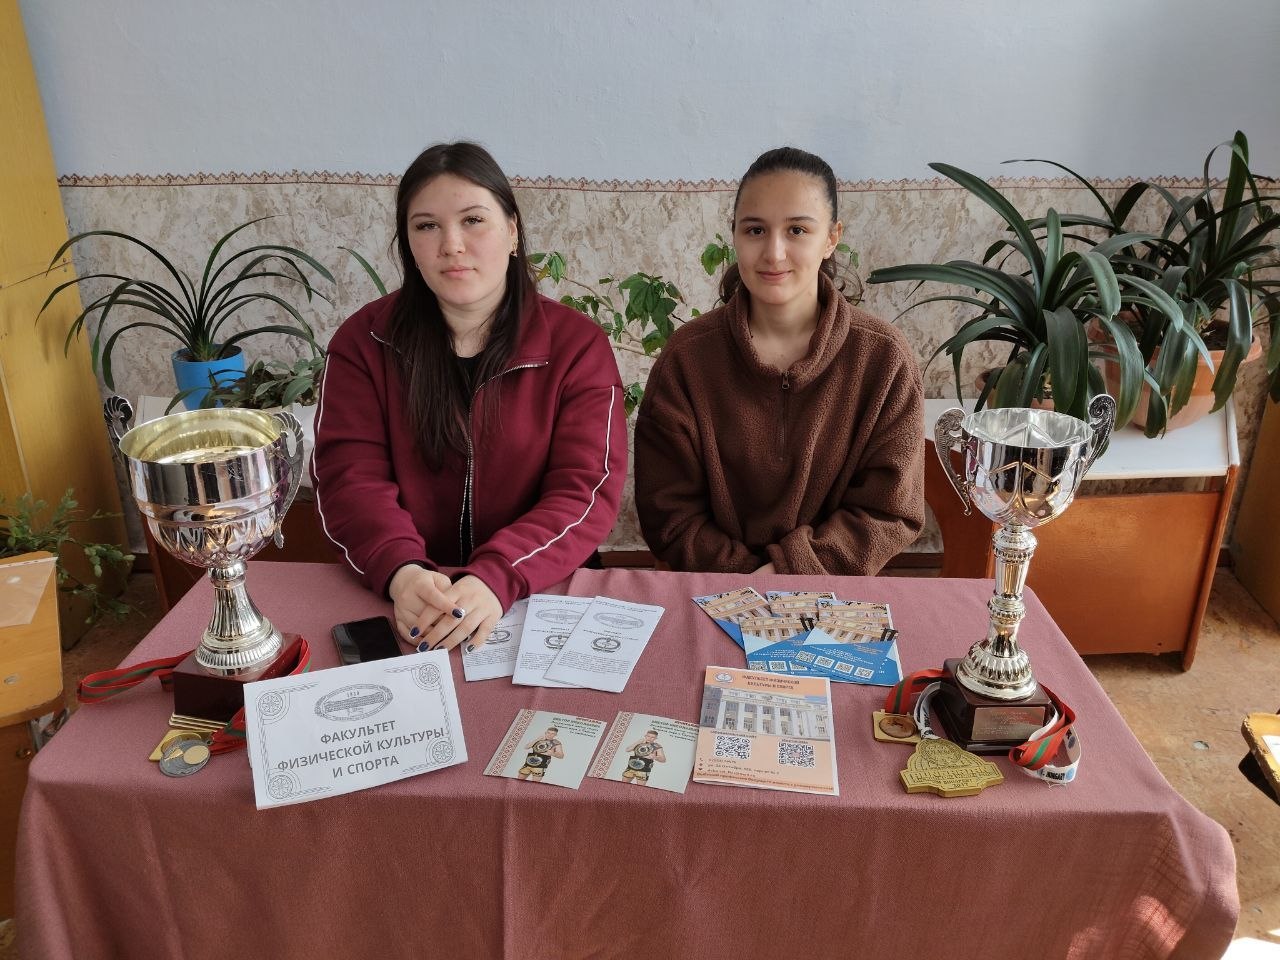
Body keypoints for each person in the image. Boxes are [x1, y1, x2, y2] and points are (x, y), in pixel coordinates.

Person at [312, 142, 626, 651]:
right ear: (408, 243)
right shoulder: (363, 342)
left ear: (513, 231)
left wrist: (496, 576)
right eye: (426, 226)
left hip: (539, 584)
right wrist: (402, 572)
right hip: (408, 594)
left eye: (473, 220)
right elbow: (349, 478)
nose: (451, 245)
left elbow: (585, 489)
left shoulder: (576, 345)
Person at [634, 147, 924, 575]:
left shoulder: (884, 359)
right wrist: (748, 587)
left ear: (831, 238)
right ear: (734, 235)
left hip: (835, 595)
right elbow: (669, 513)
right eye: (755, 230)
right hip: (712, 592)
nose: (773, 253)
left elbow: (889, 511)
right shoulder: (687, 358)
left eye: (797, 230)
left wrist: (788, 574)